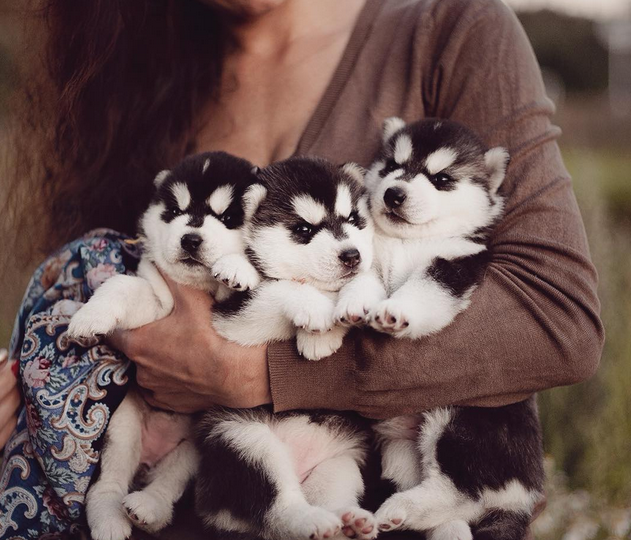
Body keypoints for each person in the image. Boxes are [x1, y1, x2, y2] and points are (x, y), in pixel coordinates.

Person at [0, 0, 603, 538]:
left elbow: (558, 319)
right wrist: (30, 381)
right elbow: (95, 280)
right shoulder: (133, 64)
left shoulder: (449, 30)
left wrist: (261, 372)